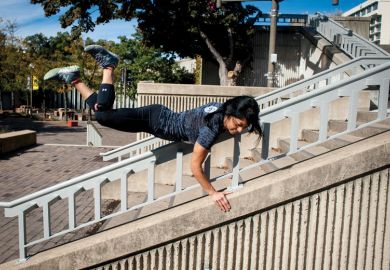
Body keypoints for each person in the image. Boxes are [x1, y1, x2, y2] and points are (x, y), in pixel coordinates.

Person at [44, 45, 262, 212]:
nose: (240, 130)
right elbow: (195, 167)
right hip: (154, 120)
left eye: (245, 127)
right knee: (102, 115)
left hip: (157, 117)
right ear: (231, 114)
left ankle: (74, 79)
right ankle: (109, 65)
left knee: (102, 111)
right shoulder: (211, 129)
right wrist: (213, 193)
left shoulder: (221, 110)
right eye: (239, 124)